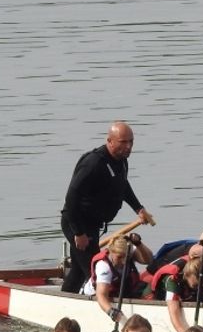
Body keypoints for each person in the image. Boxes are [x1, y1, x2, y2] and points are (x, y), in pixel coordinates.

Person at [60, 121, 154, 293]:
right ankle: (99, 302)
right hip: (77, 222)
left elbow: (122, 185)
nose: (128, 147)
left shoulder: (122, 161)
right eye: (123, 142)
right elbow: (71, 198)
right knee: (95, 270)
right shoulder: (93, 163)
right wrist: (78, 233)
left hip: (93, 225)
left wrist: (138, 208)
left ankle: (63, 302)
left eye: (131, 142)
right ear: (110, 141)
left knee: (78, 271)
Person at [83, 233, 153, 326]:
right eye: (119, 257)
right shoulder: (103, 266)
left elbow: (148, 260)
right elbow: (101, 295)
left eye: (126, 257)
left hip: (121, 288)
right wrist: (111, 312)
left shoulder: (128, 250)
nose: (123, 261)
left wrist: (138, 244)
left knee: (149, 288)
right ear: (111, 252)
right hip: (99, 293)